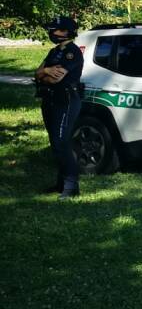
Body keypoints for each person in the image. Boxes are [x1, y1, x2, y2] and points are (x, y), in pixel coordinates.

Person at [35, 16, 84, 198]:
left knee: (61, 142)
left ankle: (71, 188)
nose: (52, 33)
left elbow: (57, 78)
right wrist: (45, 71)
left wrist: (44, 75)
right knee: (56, 143)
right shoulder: (53, 52)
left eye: (55, 30)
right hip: (50, 100)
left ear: (66, 32)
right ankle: (60, 183)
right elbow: (37, 72)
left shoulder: (72, 52)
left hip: (67, 100)